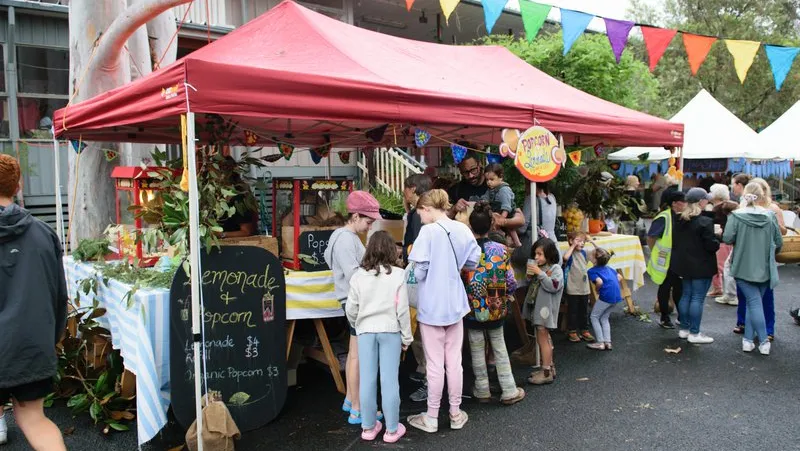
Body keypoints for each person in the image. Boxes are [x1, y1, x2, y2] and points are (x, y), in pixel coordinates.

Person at [0, 154, 67, 450]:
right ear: (17, 186)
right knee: (34, 418)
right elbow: (58, 296)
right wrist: (52, 339)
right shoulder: (43, 234)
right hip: (31, 346)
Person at [406, 189, 481, 433]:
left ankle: (431, 416)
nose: (419, 217)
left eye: (419, 212)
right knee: (455, 362)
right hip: (455, 303)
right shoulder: (462, 229)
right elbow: (472, 262)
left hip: (432, 305)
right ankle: (456, 412)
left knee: (435, 364)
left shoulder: (427, 232)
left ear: (427, 208)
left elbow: (419, 272)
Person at [345, 231, 413, 443]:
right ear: (392, 249)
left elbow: (351, 308)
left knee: (367, 379)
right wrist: (407, 337)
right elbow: (402, 309)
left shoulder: (358, 276)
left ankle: (368, 427)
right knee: (389, 380)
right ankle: (392, 430)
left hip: (365, 331)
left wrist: (358, 323)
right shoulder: (399, 275)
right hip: (390, 330)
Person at [323, 190, 382, 424]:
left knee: (353, 353)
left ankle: (350, 399)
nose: (370, 226)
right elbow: (354, 275)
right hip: (356, 302)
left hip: (349, 301)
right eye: (368, 221)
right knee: (360, 357)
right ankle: (358, 408)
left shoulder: (339, 236)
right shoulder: (347, 239)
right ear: (355, 216)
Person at [463, 202, 526, 405]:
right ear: (491, 225)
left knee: (476, 348)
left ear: (471, 226)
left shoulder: (466, 249)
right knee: (499, 347)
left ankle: (482, 389)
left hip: (471, 305)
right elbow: (510, 280)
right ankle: (508, 389)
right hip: (496, 303)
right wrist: (507, 294)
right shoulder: (501, 249)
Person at [723, 182, 782, 355]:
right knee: (754, 303)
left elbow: (727, 238)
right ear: (762, 196)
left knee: (753, 303)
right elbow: (778, 243)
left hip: (742, 265)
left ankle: (763, 341)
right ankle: (748, 339)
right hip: (765, 267)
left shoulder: (736, 216)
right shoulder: (770, 216)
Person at [671, 188, 719, 344]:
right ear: (701, 202)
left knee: (686, 295)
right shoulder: (705, 222)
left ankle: (684, 329)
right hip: (701, 265)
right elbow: (711, 246)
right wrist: (717, 238)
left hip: (684, 264)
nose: (707, 201)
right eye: (706, 199)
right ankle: (694, 332)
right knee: (697, 298)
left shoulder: (678, 220)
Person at [401, 173, 432, 401]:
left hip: (420, 278)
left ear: (412, 189)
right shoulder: (421, 213)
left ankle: (429, 379)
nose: (404, 194)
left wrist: (406, 257)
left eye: (406, 189)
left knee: (422, 326)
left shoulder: (417, 215)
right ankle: (423, 370)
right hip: (427, 279)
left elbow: (415, 246)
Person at [524, 238, 564, 385]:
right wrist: (530, 276)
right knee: (545, 339)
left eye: (540, 254)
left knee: (543, 339)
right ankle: (549, 367)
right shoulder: (541, 267)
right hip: (539, 310)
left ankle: (546, 371)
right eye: (535, 254)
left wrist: (540, 274)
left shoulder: (555, 269)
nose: (536, 257)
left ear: (549, 254)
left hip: (546, 311)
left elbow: (554, 286)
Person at [647, 190, 687, 329]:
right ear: (675, 204)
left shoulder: (684, 216)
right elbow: (651, 237)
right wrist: (655, 252)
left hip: (679, 259)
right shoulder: (664, 217)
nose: (686, 204)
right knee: (665, 287)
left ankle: (681, 316)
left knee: (679, 288)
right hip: (666, 260)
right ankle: (665, 317)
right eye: (684, 201)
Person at [472, 163, 521, 247]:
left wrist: (502, 218)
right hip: (498, 211)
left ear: (500, 177)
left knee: (510, 229)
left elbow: (506, 206)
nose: (489, 182)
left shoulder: (503, 190)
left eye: (492, 179)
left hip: (507, 213)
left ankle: (517, 243)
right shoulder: (491, 190)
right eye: (487, 180)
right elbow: (485, 198)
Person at [708, 184, 740, 306]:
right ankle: (723, 290)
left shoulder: (718, 208)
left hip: (722, 239)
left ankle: (721, 290)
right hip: (730, 240)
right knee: (726, 266)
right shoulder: (732, 205)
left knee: (720, 266)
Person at [586, 248, 623, 351]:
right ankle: (608, 342)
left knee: (594, 317)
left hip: (606, 296)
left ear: (594, 260)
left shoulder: (592, 271)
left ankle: (600, 343)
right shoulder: (609, 268)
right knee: (604, 318)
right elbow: (619, 277)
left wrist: (598, 290)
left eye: (591, 254)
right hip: (616, 296)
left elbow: (599, 282)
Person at [562, 232, 595, 343]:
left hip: (584, 288)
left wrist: (593, 242)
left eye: (583, 241)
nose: (582, 243)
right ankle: (572, 331)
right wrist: (572, 246)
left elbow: (600, 254)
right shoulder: (570, 253)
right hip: (573, 288)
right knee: (573, 311)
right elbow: (565, 258)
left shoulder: (584, 253)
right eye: (578, 240)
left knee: (584, 310)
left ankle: (584, 330)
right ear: (571, 241)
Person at [447, 151, 488, 216]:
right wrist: (454, 209)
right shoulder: (456, 190)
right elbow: (444, 217)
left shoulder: (495, 187)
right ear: (460, 171)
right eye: (465, 172)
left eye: (473, 170)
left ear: (480, 164)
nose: (471, 176)